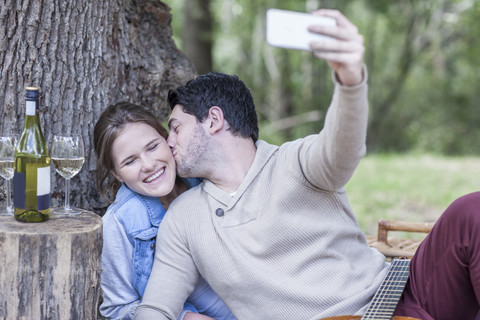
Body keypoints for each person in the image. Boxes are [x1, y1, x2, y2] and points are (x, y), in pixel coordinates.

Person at [135, 8, 480, 320]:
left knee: (472, 211)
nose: (169, 142)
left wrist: (350, 79)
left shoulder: (294, 162)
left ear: (213, 121)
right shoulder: (184, 219)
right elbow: (156, 309)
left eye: (176, 127)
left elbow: (342, 148)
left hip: (405, 294)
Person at [93, 102, 236, 320]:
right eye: (130, 161)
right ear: (117, 174)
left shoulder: (203, 180)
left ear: (167, 139)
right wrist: (185, 318)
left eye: (152, 147)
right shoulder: (120, 222)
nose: (148, 164)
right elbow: (117, 308)